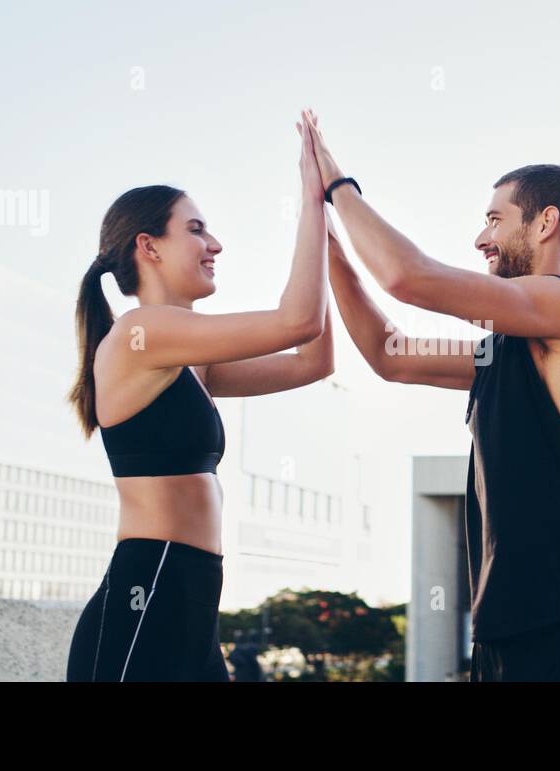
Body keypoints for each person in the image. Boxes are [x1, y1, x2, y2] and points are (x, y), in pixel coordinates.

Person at [306, 113, 560, 681]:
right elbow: (390, 354)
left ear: (546, 223)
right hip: (506, 632)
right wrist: (329, 242)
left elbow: (406, 277)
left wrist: (339, 187)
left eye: (495, 219)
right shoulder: (510, 349)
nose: (481, 238)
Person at [64, 112, 332, 682]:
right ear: (149, 246)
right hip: (148, 596)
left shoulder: (186, 356)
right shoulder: (143, 335)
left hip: (191, 599)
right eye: (195, 230)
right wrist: (314, 200)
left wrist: (327, 234)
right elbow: (298, 320)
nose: (215, 244)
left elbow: (314, 361)